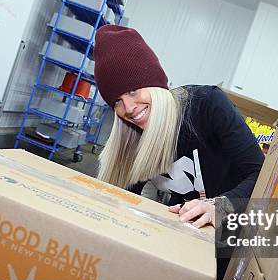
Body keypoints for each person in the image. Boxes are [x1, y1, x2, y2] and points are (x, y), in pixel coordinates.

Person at [94, 25, 264, 226]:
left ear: (156, 85)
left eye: (133, 90)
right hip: (187, 233)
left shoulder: (206, 105)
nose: (129, 108)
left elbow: (261, 175)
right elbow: (123, 199)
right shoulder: (134, 135)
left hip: (239, 228)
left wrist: (218, 207)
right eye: (116, 101)